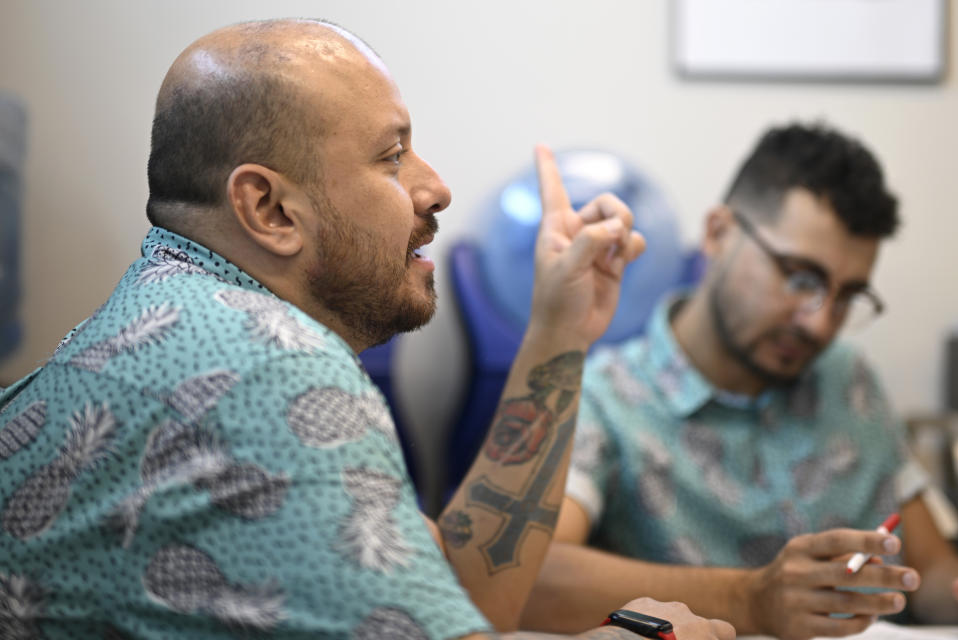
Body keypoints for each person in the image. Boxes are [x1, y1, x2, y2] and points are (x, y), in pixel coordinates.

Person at [0, 18, 736, 640]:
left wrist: (558, 330)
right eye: (392, 156)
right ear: (270, 210)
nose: (436, 187)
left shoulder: (176, 318)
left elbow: (459, 595)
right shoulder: (264, 369)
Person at [519, 122, 958, 639]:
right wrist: (750, 599)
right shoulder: (608, 396)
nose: (820, 322)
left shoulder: (848, 378)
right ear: (718, 233)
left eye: (846, 297)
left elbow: (931, 569)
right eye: (799, 277)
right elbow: (531, 579)